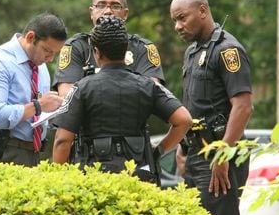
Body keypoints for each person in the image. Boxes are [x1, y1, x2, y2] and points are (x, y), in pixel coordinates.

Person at [52, 16, 192, 180]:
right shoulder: (148, 85)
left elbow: (62, 140)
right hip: (139, 176)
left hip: (94, 179)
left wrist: (60, 181)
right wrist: (159, 150)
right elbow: (184, 120)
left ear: (96, 52)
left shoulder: (80, 88)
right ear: (126, 49)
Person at [170, 0, 253, 215]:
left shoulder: (227, 50)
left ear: (203, 11)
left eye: (182, 18)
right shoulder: (192, 52)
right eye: (174, 20)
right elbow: (192, 106)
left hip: (220, 154)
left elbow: (243, 107)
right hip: (195, 154)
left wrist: (223, 153)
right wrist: (182, 146)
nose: (177, 26)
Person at [0, 12, 68, 167]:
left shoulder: (40, 66)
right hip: (4, 152)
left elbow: (37, 116)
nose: (50, 59)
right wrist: (38, 106)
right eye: (47, 50)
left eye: (54, 53)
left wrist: (54, 113)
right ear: (31, 37)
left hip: (35, 154)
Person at [53, 0, 165, 99]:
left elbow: (153, 94)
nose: (108, 11)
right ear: (92, 12)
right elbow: (66, 97)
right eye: (101, 5)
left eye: (115, 6)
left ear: (125, 14)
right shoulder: (76, 47)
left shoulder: (143, 48)